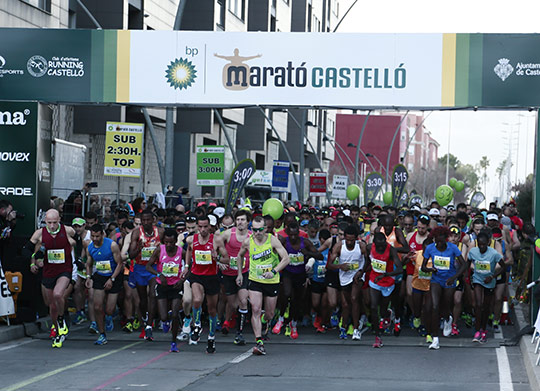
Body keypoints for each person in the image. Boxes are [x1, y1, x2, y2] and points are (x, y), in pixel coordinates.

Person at [236, 216, 290, 355]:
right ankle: (259, 341)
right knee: (255, 308)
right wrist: (240, 274)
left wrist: (274, 271)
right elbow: (240, 256)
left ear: (265, 229)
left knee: (270, 314)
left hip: (272, 281)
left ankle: (264, 320)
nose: (257, 233)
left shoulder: (272, 240)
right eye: (254, 230)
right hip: (255, 280)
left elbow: (286, 259)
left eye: (260, 230)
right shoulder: (248, 242)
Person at [29, 209, 76, 348]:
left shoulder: (67, 231)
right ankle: (57, 330)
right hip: (49, 272)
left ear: (59, 220)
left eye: (55, 222)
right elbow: (33, 253)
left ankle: (61, 320)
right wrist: (34, 263)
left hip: (65, 270)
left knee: (58, 294)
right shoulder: (40, 234)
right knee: (52, 305)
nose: (52, 226)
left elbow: (76, 240)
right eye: (49, 223)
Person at [185, 215, 229, 354]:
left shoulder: (216, 240)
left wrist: (217, 258)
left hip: (212, 277)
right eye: (200, 226)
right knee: (197, 299)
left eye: (205, 227)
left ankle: (211, 337)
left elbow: (227, 259)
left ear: (210, 226)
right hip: (197, 275)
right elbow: (189, 250)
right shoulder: (191, 239)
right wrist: (187, 265)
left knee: (211, 309)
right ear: (197, 226)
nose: (203, 229)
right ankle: (196, 324)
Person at [274, 222, 322, 339]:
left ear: (298, 233)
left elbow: (319, 256)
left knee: (297, 300)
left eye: (296, 235)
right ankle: (281, 319)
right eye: (291, 235)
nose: (294, 237)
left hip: (300, 274)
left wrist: (308, 253)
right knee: (286, 294)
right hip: (288, 273)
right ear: (288, 234)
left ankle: (293, 324)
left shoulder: (304, 242)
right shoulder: (285, 242)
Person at [421, 226, 467, 350]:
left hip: (449, 281)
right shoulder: (430, 248)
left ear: (446, 239)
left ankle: (448, 318)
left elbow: (464, 265)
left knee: (446, 305)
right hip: (436, 280)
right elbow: (423, 267)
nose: (440, 244)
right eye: (437, 241)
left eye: (442, 241)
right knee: (435, 306)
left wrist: (454, 277)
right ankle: (435, 339)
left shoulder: (453, 248)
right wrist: (431, 269)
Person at [146, 229, 186, 352]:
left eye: (171, 242)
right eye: (166, 242)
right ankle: (165, 320)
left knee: (174, 314)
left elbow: (191, 266)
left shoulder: (181, 252)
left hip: (175, 287)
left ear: (175, 242)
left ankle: (173, 342)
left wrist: (182, 280)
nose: (168, 245)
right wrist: (159, 274)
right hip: (162, 286)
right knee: (163, 317)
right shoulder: (159, 250)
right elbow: (148, 266)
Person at [327, 224, 368, 340]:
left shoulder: (361, 246)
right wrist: (340, 266)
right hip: (344, 277)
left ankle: (356, 329)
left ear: (356, 238)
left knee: (354, 298)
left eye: (352, 240)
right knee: (346, 305)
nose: (350, 242)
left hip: (357, 276)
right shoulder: (339, 246)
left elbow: (367, 261)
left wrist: (361, 271)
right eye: (348, 240)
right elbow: (329, 265)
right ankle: (344, 327)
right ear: (344, 237)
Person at [128, 209, 164, 341]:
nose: (146, 222)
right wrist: (139, 247)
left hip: (154, 267)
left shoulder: (160, 232)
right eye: (144, 220)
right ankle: (144, 319)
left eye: (149, 220)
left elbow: (167, 249)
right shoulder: (136, 233)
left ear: (153, 220)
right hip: (140, 268)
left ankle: (149, 325)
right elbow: (130, 255)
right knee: (142, 299)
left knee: (152, 294)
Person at [85, 224, 124, 345]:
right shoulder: (90, 247)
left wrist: (111, 279)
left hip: (114, 276)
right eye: (93, 236)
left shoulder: (112, 245)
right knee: (97, 306)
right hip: (100, 277)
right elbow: (88, 264)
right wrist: (88, 277)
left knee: (109, 309)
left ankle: (109, 316)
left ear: (102, 234)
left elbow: (120, 264)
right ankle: (102, 334)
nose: (95, 239)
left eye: (97, 236)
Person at [219, 210, 251, 345]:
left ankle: (239, 332)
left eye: (243, 220)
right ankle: (237, 319)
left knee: (243, 301)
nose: (240, 222)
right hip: (229, 273)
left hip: (245, 272)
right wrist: (220, 261)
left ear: (248, 222)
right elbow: (215, 247)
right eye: (238, 220)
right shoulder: (228, 234)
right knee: (233, 304)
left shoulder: (252, 236)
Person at [468, 231, 505, 343]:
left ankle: (483, 329)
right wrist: (467, 277)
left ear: (488, 243)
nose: (482, 247)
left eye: (484, 244)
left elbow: (503, 267)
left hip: (489, 281)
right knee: (478, 304)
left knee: (486, 306)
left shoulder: (494, 253)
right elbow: (467, 264)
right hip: (478, 280)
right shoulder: (473, 252)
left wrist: (493, 276)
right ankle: (477, 330)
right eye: (479, 244)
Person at [368, 232, 402, 348]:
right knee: (373, 306)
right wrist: (361, 272)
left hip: (388, 282)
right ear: (374, 244)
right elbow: (368, 261)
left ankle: (387, 313)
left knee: (382, 310)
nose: (381, 247)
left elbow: (400, 269)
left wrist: (386, 274)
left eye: (383, 245)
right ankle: (378, 338)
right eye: (379, 245)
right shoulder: (369, 248)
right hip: (374, 280)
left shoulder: (391, 250)